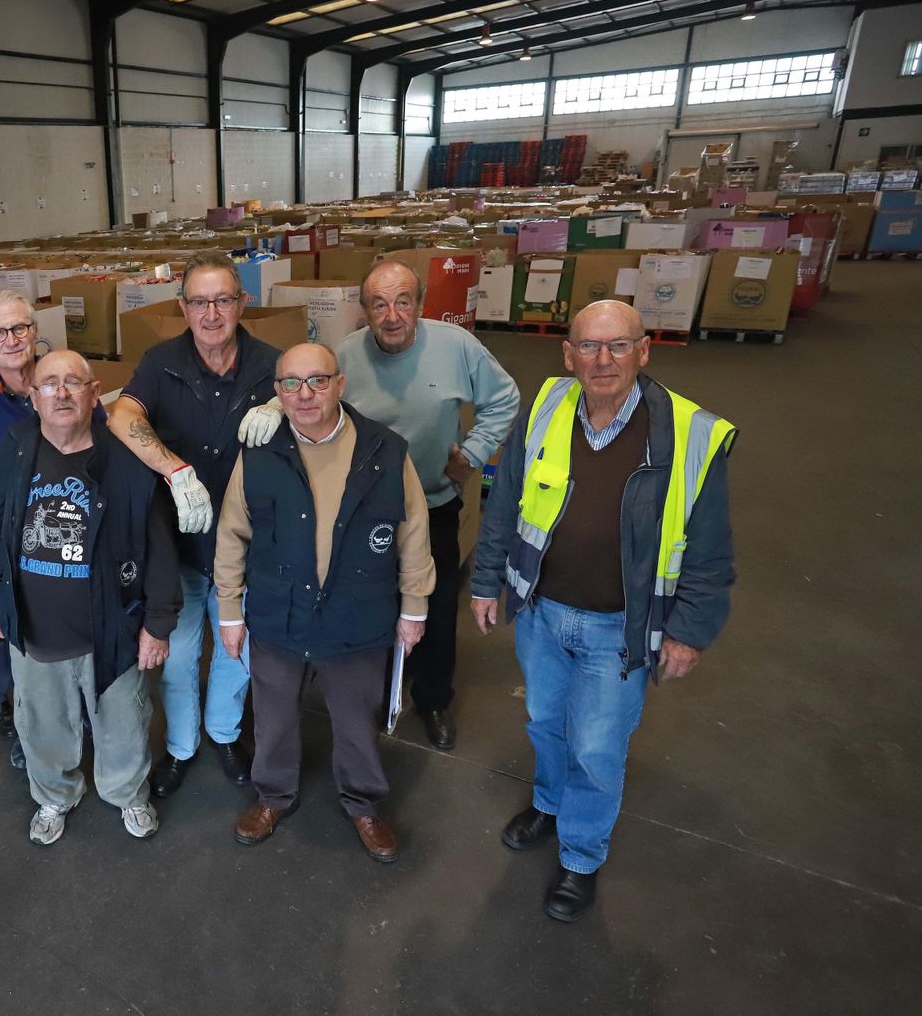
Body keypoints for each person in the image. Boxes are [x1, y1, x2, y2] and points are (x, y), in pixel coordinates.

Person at [471, 301, 736, 923]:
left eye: (619, 346)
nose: (603, 360)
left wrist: (689, 632)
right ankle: (550, 801)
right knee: (544, 721)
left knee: (596, 746)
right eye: (588, 347)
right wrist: (487, 581)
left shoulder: (692, 434)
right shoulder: (546, 408)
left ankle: (581, 856)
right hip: (542, 610)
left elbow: (711, 547)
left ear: (645, 351)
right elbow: (505, 502)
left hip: (621, 627)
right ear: (568, 355)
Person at [239, 258, 518, 751]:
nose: (391, 315)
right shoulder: (345, 354)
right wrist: (270, 406)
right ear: (364, 310)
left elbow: (505, 399)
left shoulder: (457, 347)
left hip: (432, 502)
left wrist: (471, 455)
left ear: (420, 304)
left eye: (403, 301)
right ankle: (366, 695)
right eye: (378, 304)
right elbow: (311, 394)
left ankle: (432, 698)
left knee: (432, 604)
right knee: (367, 603)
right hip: (361, 511)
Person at [215, 344, 434, 862]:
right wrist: (228, 612)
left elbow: (414, 532)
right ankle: (273, 796)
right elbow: (231, 533)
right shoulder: (258, 455)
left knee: (357, 718)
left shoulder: (386, 451)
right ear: (277, 392)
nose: (305, 393)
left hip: (358, 616)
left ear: (340, 384)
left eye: (317, 380)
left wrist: (414, 608)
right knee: (272, 717)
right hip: (277, 613)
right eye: (291, 383)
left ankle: (362, 803)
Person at [0, 351, 181, 846]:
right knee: (41, 723)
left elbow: (159, 544)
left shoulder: (125, 456)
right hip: (34, 629)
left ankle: (127, 794)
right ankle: (54, 795)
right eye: (49, 384)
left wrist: (158, 623)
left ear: (94, 391)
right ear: (33, 397)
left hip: (112, 628)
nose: (61, 392)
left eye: (73, 383)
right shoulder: (16, 447)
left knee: (124, 722)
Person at [108, 250, 281, 798]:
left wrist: (283, 401)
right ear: (183, 307)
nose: (212, 314)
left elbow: (321, 401)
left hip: (246, 549)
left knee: (238, 650)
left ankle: (224, 734)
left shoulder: (272, 364)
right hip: (177, 548)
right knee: (179, 657)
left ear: (242, 303)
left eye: (223, 300)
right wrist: (175, 470)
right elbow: (122, 415)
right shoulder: (161, 363)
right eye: (200, 302)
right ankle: (181, 747)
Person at [0, 290, 103, 769]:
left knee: (79, 643)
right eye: (0, 331)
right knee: (25, 651)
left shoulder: (72, 385)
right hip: (17, 561)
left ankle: (85, 718)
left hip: (78, 550)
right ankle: (30, 728)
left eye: (20, 327)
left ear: (35, 331)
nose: (12, 339)